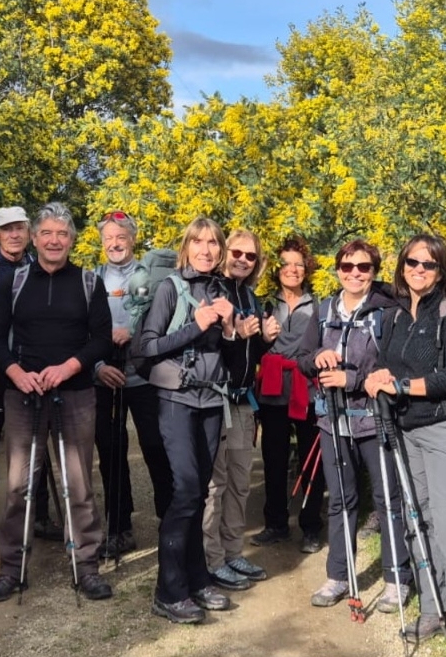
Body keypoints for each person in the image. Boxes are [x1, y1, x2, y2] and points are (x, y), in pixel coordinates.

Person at [364, 234, 446, 657]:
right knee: (418, 520)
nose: (419, 270)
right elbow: (389, 365)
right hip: (406, 429)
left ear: (440, 271)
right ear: (402, 266)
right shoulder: (396, 315)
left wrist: (401, 386)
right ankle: (435, 608)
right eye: (412, 262)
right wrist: (378, 377)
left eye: (428, 264)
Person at [0, 203, 114, 603]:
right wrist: (16, 373)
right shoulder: (13, 281)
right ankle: (11, 570)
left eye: (63, 234)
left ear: (71, 241)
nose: (55, 241)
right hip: (24, 394)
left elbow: (101, 340)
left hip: (76, 394)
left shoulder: (89, 283)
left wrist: (70, 367)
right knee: (18, 486)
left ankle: (86, 567)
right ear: (35, 239)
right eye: (47, 233)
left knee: (79, 484)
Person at [134, 217, 239, 624]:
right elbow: (148, 346)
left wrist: (229, 330)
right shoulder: (170, 287)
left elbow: (232, 360)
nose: (206, 250)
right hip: (176, 399)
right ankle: (169, 591)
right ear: (187, 246)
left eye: (213, 243)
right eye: (198, 242)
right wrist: (197, 324)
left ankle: (197, 579)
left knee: (199, 494)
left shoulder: (222, 288)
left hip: (212, 401)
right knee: (187, 490)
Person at [298, 239, 411, 613]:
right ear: (337, 271)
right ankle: (338, 576)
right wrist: (318, 356)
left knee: (388, 500)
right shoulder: (324, 309)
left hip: (375, 420)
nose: (355, 274)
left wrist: (353, 380)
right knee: (341, 501)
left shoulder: (388, 312)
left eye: (363, 267)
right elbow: (301, 357)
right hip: (332, 422)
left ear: (374, 272)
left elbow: (398, 365)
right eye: (347, 267)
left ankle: (397, 580)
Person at [0, 206, 59, 547]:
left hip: (31, 366)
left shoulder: (37, 265)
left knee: (36, 441)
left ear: (29, 234)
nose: (14, 235)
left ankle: (40, 515)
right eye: (7, 229)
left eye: (20, 228)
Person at [92, 210, 173, 559]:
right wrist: (97, 366)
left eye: (120, 237)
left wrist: (134, 334)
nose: (114, 243)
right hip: (105, 379)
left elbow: (163, 323)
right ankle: (119, 528)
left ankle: (170, 521)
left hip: (144, 378)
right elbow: (82, 330)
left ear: (133, 239)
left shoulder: (152, 278)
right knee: (111, 454)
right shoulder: (92, 279)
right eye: (108, 238)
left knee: (156, 447)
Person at [203, 229, 274, 591]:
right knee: (216, 486)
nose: (243, 260)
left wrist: (264, 341)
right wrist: (236, 335)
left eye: (251, 256)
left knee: (240, 483)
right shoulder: (211, 290)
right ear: (225, 252)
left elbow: (251, 355)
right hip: (216, 401)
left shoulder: (250, 296)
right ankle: (211, 560)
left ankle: (232, 552)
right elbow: (209, 348)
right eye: (237, 253)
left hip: (244, 402)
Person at [252, 236, 325, 553]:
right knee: (274, 459)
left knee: (311, 461)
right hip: (272, 390)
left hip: (307, 389)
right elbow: (252, 349)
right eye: (286, 264)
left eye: (298, 264)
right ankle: (276, 524)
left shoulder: (320, 303)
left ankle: (311, 526)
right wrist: (263, 340)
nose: (292, 269)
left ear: (307, 269)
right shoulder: (264, 303)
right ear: (276, 269)